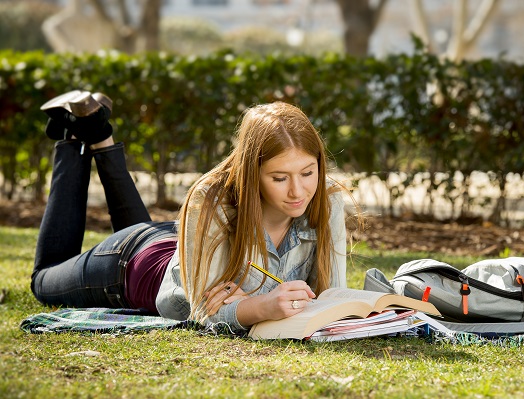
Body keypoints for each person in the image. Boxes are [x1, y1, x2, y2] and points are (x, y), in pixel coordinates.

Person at [31, 90, 354, 334]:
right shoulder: (211, 199)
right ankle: (74, 137)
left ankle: (100, 134)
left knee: (141, 227)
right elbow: (200, 310)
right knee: (43, 279)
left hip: (177, 243)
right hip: (129, 265)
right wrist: (257, 306)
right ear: (250, 174)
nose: (298, 191)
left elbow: (331, 294)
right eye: (279, 178)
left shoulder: (327, 199)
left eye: (308, 173)